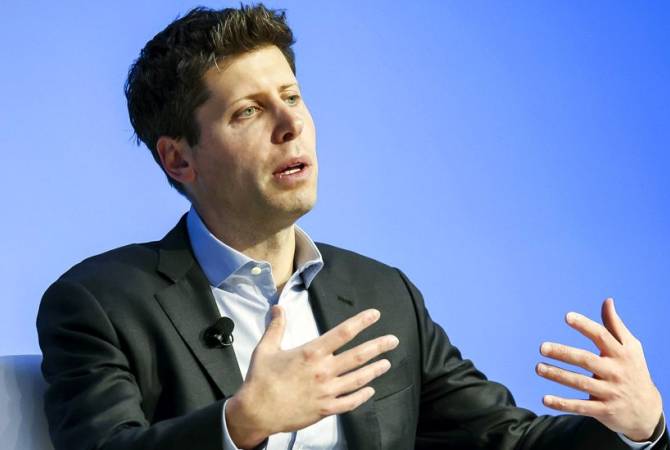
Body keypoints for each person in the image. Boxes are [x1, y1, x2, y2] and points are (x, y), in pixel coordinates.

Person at [37, 4, 667, 450]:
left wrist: (637, 429)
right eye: (249, 111)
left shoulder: (382, 294)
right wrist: (239, 425)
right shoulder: (99, 303)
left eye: (292, 96)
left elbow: (508, 441)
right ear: (178, 159)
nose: (291, 125)